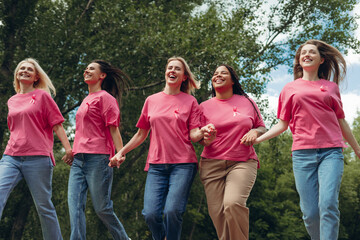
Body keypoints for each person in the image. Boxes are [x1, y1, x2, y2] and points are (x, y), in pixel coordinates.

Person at [255, 39, 360, 240]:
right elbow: (282, 124)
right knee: (310, 214)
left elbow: (341, 121)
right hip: (302, 154)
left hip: (331, 152)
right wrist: (259, 139)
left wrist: (357, 148)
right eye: (303, 53)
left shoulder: (330, 88)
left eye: (312, 52)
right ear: (299, 61)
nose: (307, 55)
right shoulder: (289, 89)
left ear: (321, 59)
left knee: (328, 204)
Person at [110, 56, 215, 240]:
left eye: (177, 69)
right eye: (170, 68)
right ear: (166, 72)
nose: (172, 71)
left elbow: (193, 135)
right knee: (150, 214)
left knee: (173, 211)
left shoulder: (190, 102)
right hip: (156, 166)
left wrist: (205, 132)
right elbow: (141, 134)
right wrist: (121, 152)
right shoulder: (151, 100)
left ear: (184, 77)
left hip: (183, 165)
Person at [0, 58, 73, 240]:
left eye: (29, 69)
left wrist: (69, 150)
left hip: (38, 158)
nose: (24, 71)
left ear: (35, 77)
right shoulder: (12, 100)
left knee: (43, 206)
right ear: (17, 74)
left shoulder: (42, 96)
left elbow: (57, 125)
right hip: (12, 156)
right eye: (21, 68)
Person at [199, 64, 266, 240]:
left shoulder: (247, 102)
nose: (218, 76)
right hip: (211, 164)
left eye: (223, 73)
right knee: (218, 214)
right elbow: (196, 136)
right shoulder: (203, 107)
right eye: (215, 74)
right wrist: (205, 137)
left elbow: (261, 127)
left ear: (233, 80)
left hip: (242, 161)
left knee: (233, 203)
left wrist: (255, 132)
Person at [68, 60, 130, 240]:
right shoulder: (86, 99)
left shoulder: (106, 98)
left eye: (92, 68)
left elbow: (113, 128)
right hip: (79, 160)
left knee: (102, 208)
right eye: (86, 68)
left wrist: (120, 153)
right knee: (75, 206)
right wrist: (73, 151)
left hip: (98, 159)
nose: (86, 70)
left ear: (102, 76)